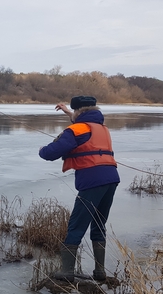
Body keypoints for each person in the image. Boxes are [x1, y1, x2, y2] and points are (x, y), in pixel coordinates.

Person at [38, 96, 120, 282]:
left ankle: (66, 272)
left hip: (92, 181)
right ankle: (100, 272)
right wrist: (68, 112)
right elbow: (83, 127)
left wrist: (42, 149)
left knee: (76, 224)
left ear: (78, 112)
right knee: (99, 224)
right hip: (111, 179)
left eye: (72, 112)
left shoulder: (76, 130)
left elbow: (50, 153)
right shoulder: (101, 128)